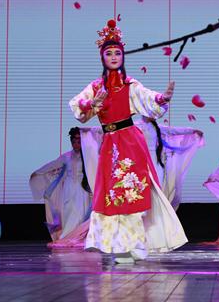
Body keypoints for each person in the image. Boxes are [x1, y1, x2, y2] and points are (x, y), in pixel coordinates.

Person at [69, 19, 187, 263]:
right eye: (109, 53)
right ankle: (119, 245)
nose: (114, 57)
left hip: (130, 142)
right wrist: (92, 104)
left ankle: (136, 243)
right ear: (102, 57)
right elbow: (78, 108)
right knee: (112, 195)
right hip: (109, 144)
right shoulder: (95, 87)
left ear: (123, 56)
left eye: (117, 53)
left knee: (132, 191)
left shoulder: (130, 84)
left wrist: (162, 98)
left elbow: (148, 98)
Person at [29, 127, 92, 246]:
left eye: (79, 142)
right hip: (69, 188)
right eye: (74, 142)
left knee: (81, 213)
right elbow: (52, 166)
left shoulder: (88, 156)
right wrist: (38, 173)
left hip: (82, 189)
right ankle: (67, 236)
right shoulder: (66, 156)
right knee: (68, 211)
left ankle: (80, 237)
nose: (76, 144)